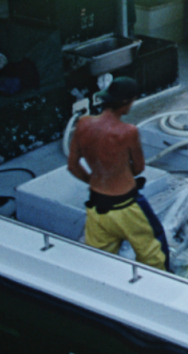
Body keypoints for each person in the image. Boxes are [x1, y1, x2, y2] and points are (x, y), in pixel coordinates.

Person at [67, 77, 169, 270]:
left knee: (99, 259)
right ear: (125, 102)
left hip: (97, 205)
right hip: (126, 205)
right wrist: (119, 172)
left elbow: (72, 166)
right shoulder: (128, 132)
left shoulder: (82, 124)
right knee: (153, 251)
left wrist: (94, 180)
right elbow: (139, 168)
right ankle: (160, 284)